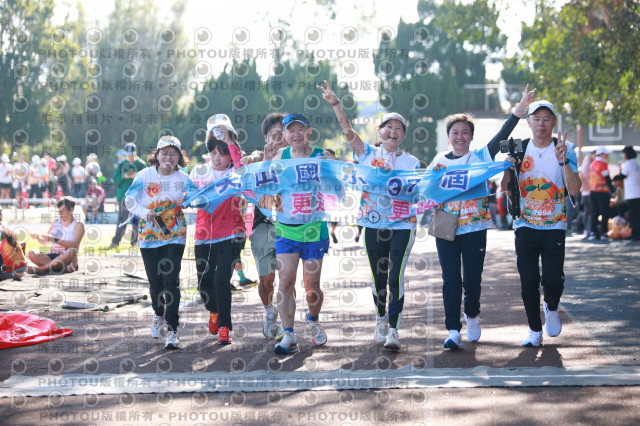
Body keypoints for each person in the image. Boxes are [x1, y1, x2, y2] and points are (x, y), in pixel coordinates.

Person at [429, 86, 537, 349]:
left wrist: (520, 108)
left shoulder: (480, 157)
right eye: (455, 132)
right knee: (450, 279)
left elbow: (502, 134)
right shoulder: (439, 160)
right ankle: (453, 330)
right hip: (446, 228)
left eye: (465, 132)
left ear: (471, 137)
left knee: (472, 279)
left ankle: (472, 316)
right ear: (448, 137)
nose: (460, 136)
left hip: (475, 227)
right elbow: (428, 192)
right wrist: (434, 175)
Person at [319, 81, 418, 350]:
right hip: (373, 222)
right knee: (379, 277)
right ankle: (380, 317)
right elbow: (348, 132)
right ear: (380, 131)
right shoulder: (366, 154)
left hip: (402, 224)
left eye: (399, 128)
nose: (393, 131)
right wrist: (336, 104)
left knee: (395, 276)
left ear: (403, 135)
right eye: (388, 126)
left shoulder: (411, 162)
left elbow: (418, 191)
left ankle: (394, 330)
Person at [501, 100, 581, 347]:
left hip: (555, 224)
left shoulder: (566, 148)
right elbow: (505, 188)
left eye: (546, 119)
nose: (541, 124)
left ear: (554, 122)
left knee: (553, 280)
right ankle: (534, 330)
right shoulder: (518, 148)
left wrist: (563, 161)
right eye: (536, 119)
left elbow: (575, 189)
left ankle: (551, 307)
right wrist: (508, 168)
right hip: (525, 224)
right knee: (528, 280)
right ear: (528, 122)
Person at [125, 136, 194, 350]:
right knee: (155, 285)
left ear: (179, 158)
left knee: (170, 281)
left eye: (173, 154)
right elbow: (129, 200)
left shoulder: (184, 178)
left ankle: (172, 330)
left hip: (175, 234)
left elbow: (197, 198)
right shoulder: (144, 175)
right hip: (149, 237)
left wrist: (188, 198)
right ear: (157, 155)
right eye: (164, 153)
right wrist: (145, 213)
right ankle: (158, 313)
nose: (168, 157)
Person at [270, 113, 330, 355]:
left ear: (309, 132)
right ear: (285, 135)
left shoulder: (322, 156)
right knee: (285, 281)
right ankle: (289, 334)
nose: (296, 135)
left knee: (312, 287)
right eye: (291, 130)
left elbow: (339, 184)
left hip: (314, 229)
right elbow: (265, 186)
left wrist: (327, 170)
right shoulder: (279, 157)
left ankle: (313, 319)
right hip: (286, 229)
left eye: (301, 129)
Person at [190, 114, 245, 345]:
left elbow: (241, 166)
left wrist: (229, 140)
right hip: (204, 236)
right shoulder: (199, 172)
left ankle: (224, 326)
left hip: (231, 234)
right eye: (213, 152)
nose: (217, 158)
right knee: (204, 284)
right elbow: (186, 193)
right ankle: (213, 310)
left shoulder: (236, 172)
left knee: (221, 280)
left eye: (222, 153)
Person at [241, 112, 288, 339]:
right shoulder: (260, 157)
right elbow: (251, 159)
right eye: (272, 134)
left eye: (281, 133)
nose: (278, 138)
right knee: (267, 280)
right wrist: (253, 160)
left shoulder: (296, 157)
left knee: (287, 279)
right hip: (263, 225)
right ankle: (270, 312)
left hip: (290, 224)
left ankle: (287, 326)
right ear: (266, 137)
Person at [26, 196, 85, 275]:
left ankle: (41, 269)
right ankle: (61, 268)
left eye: (63, 211)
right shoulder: (55, 222)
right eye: (59, 211)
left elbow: (74, 244)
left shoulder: (78, 225)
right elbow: (46, 242)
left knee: (71, 251)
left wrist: (54, 240)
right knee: (32, 253)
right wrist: (38, 238)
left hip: (68, 257)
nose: (61, 214)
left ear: (71, 210)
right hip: (52, 255)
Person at [110, 143, 146, 249]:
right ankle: (115, 242)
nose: (130, 156)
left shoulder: (141, 164)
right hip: (124, 197)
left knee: (136, 221)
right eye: (128, 153)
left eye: (132, 153)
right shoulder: (122, 165)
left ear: (135, 152)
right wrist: (124, 176)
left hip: (137, 197)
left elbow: (147, 180)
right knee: (122, 220)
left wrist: (137, 177)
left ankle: (134, 242)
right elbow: (115, 180)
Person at [588, 146, 613, 240]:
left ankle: (593, 232)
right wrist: (612, 190)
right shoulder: (603, 164)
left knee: (594, 212)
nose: (607, 155)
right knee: (604, 212)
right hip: (603, 191)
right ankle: (604, 233)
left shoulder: (592, 164)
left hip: (593, 191)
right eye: (606, 154)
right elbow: (607, 178)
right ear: (601, 154)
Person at [620, 146, 640, 240]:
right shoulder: (636, 162)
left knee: (633, 215)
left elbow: (622, 175)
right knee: (637, 214)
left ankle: (636, 233)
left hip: (632, 193)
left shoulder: (628, 163)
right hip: (637, 192)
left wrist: (620, 167)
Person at [578, 152, 594, 236]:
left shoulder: (586, 162)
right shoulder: (589, 162)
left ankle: (587, 229)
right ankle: (588, 229)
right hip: (589, 192)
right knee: (589, 212)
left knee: (587, 212)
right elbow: (586, 176)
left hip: (585, 192)